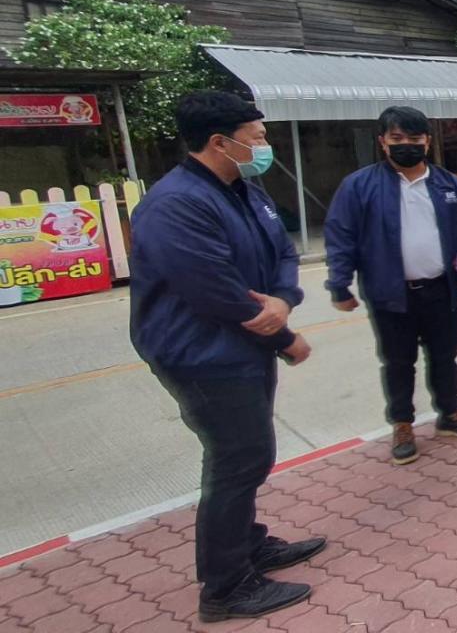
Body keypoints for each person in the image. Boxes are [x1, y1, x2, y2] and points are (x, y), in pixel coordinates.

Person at [129, 91, 323, 622]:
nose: (266, 146)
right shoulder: (175, 204)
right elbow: (213, 291)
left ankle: (249, 545)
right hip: (201, 353)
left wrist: (284, 300)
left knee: (249, 455)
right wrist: (286, 339)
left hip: (241, 347)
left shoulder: (246, 190)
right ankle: (226, 588)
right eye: (257, 138)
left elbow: (282, 249)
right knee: (238, 460)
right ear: (220, 142)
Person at [324, 106, 457, 466]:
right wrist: (339, 284)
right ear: (383, 142)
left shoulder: (449, 185)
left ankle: (449, 414)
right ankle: (402, 424)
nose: (407, 145)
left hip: (443, 289)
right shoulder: (359, 186)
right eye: (397, 139)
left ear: (427, 142)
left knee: (445, 356)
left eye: (415, 139)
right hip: (391, 294)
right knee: (398, 362)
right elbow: (342, 237)